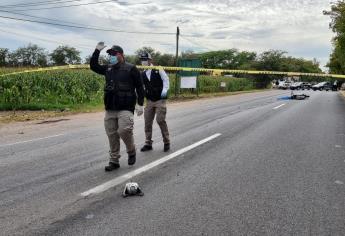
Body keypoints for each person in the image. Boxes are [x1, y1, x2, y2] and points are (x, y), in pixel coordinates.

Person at [90, 42, 144, 171]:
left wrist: (140, 104)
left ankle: (131, 151)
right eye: (110, 54)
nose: (111, 56)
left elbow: (140, 87)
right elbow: (93, 66)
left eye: (114, 54)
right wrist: (97, 51)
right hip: (110, 108)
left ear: (121, 55)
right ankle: (114, 160)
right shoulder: (108, 68)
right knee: (112, 134)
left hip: (126, 107)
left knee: (124, 130)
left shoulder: (131, 68)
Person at [139, 52, 170, 152]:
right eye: (142, 60)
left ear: (150, 60)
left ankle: (166, 141)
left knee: (160, 120)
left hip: (160, 99)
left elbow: (166, 80)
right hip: (149, 100)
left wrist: (164, 92)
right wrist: (139, 102)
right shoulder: (142, 73)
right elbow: (142, 87)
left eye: (145, 59)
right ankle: (148, 143)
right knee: (147, 122)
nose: (143, 62)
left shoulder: (158, 68)